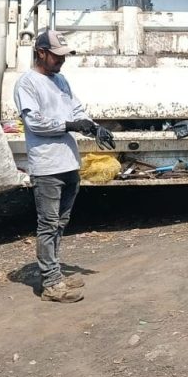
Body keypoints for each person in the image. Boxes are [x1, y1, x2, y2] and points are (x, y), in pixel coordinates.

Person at [13, 29, 115, 303]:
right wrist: (69, 125)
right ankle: (51, 284)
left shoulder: (60, 80)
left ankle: (55, 272)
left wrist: (94, 127)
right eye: (56, 56)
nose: (61, 60)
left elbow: (77, 110)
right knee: (48, 224)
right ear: (41, 52)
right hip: (47, 166)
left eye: (63, 56)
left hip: (68, 162)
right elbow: (34, 122)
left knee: (60, 222)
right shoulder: (27, 84)